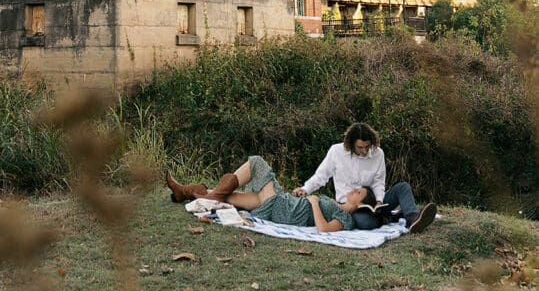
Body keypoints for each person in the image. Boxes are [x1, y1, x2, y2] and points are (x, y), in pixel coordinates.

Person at [292, 121, 436, 234]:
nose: (365, 151)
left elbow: (379, 181)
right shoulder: (336, 151)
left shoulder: (378, 153)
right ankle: (393, 217)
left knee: (403, 187)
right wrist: (306, 189)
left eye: (367, 146)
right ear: (350, 144)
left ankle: (412, 218)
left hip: (374, 201)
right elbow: (321, 176)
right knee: (366, 223)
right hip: (350, 205)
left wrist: (379, 201)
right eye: (360, 147)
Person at [166, 155, 375, 232]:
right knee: (229, 196)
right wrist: (306, 196)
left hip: (281, 209)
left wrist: (313, 203)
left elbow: (324, 229)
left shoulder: (346, 218)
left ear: (360, 203)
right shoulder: (337, 206)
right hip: (283, 204)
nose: (354, 189)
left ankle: (205, 196)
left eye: (359, 192)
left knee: (257, 162)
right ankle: (183, 191)